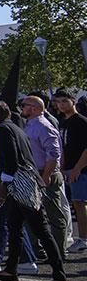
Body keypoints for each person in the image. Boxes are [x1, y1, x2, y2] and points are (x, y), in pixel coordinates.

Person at [0, 103, 69, 281]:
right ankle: (11, 269)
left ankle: (60, 276)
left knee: (40, 229)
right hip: (26, 182)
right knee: (15, 227)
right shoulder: (16, 128)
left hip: (21, 185)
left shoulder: (3, 130)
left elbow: (11, 161)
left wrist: (3, 186)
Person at [19, 95, 70, 262]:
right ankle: (36, 249)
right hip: (33, 174)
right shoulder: (29, 125)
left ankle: (58, 253)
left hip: (45, 174)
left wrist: (46, 176)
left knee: (55, 216)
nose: (22, 108)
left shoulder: (43, 126)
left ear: (33, 108)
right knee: (31, 215)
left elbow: (54, 154)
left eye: (24, 105)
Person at [53, 90, 87, 253]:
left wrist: (77, 168)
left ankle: (84, 239)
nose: (61, 104)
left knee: (80, 203)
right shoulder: (63, 122)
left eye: (65, 101)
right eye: (58, 102)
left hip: (81, 169)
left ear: (73, 101)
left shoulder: (81, 121)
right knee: (75, 203)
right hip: (68, 168)